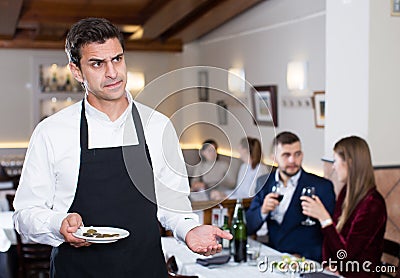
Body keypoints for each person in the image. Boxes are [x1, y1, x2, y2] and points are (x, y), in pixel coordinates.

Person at [12, 18, 231, 278]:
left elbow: (172, 202)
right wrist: (56, 223)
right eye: (97, 63)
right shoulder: (51, 132)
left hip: (145, 268)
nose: (112, 72)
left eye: (117, 59)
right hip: (77, 271)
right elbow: (24, 215)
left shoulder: (157, 126)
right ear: (76, 71)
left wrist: (189, 230)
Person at [301, 136, 387, 277]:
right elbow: (332, 240)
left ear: (350, 163)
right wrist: (329, 265)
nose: (333, 166)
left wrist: (324, 219)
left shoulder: (373, 204)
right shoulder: (346, 192)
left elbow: (346, 254)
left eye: (335, 161)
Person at [246, 131, 336, 262]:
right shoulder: (264, 182)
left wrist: (304, 258)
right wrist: (263, 211)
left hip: (308, 261)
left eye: (297, 154)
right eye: (286, 155)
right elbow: (249, 226)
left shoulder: (322, 186)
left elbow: (330, 235)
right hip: (273, 257)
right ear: (274, 158)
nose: (292, 160)